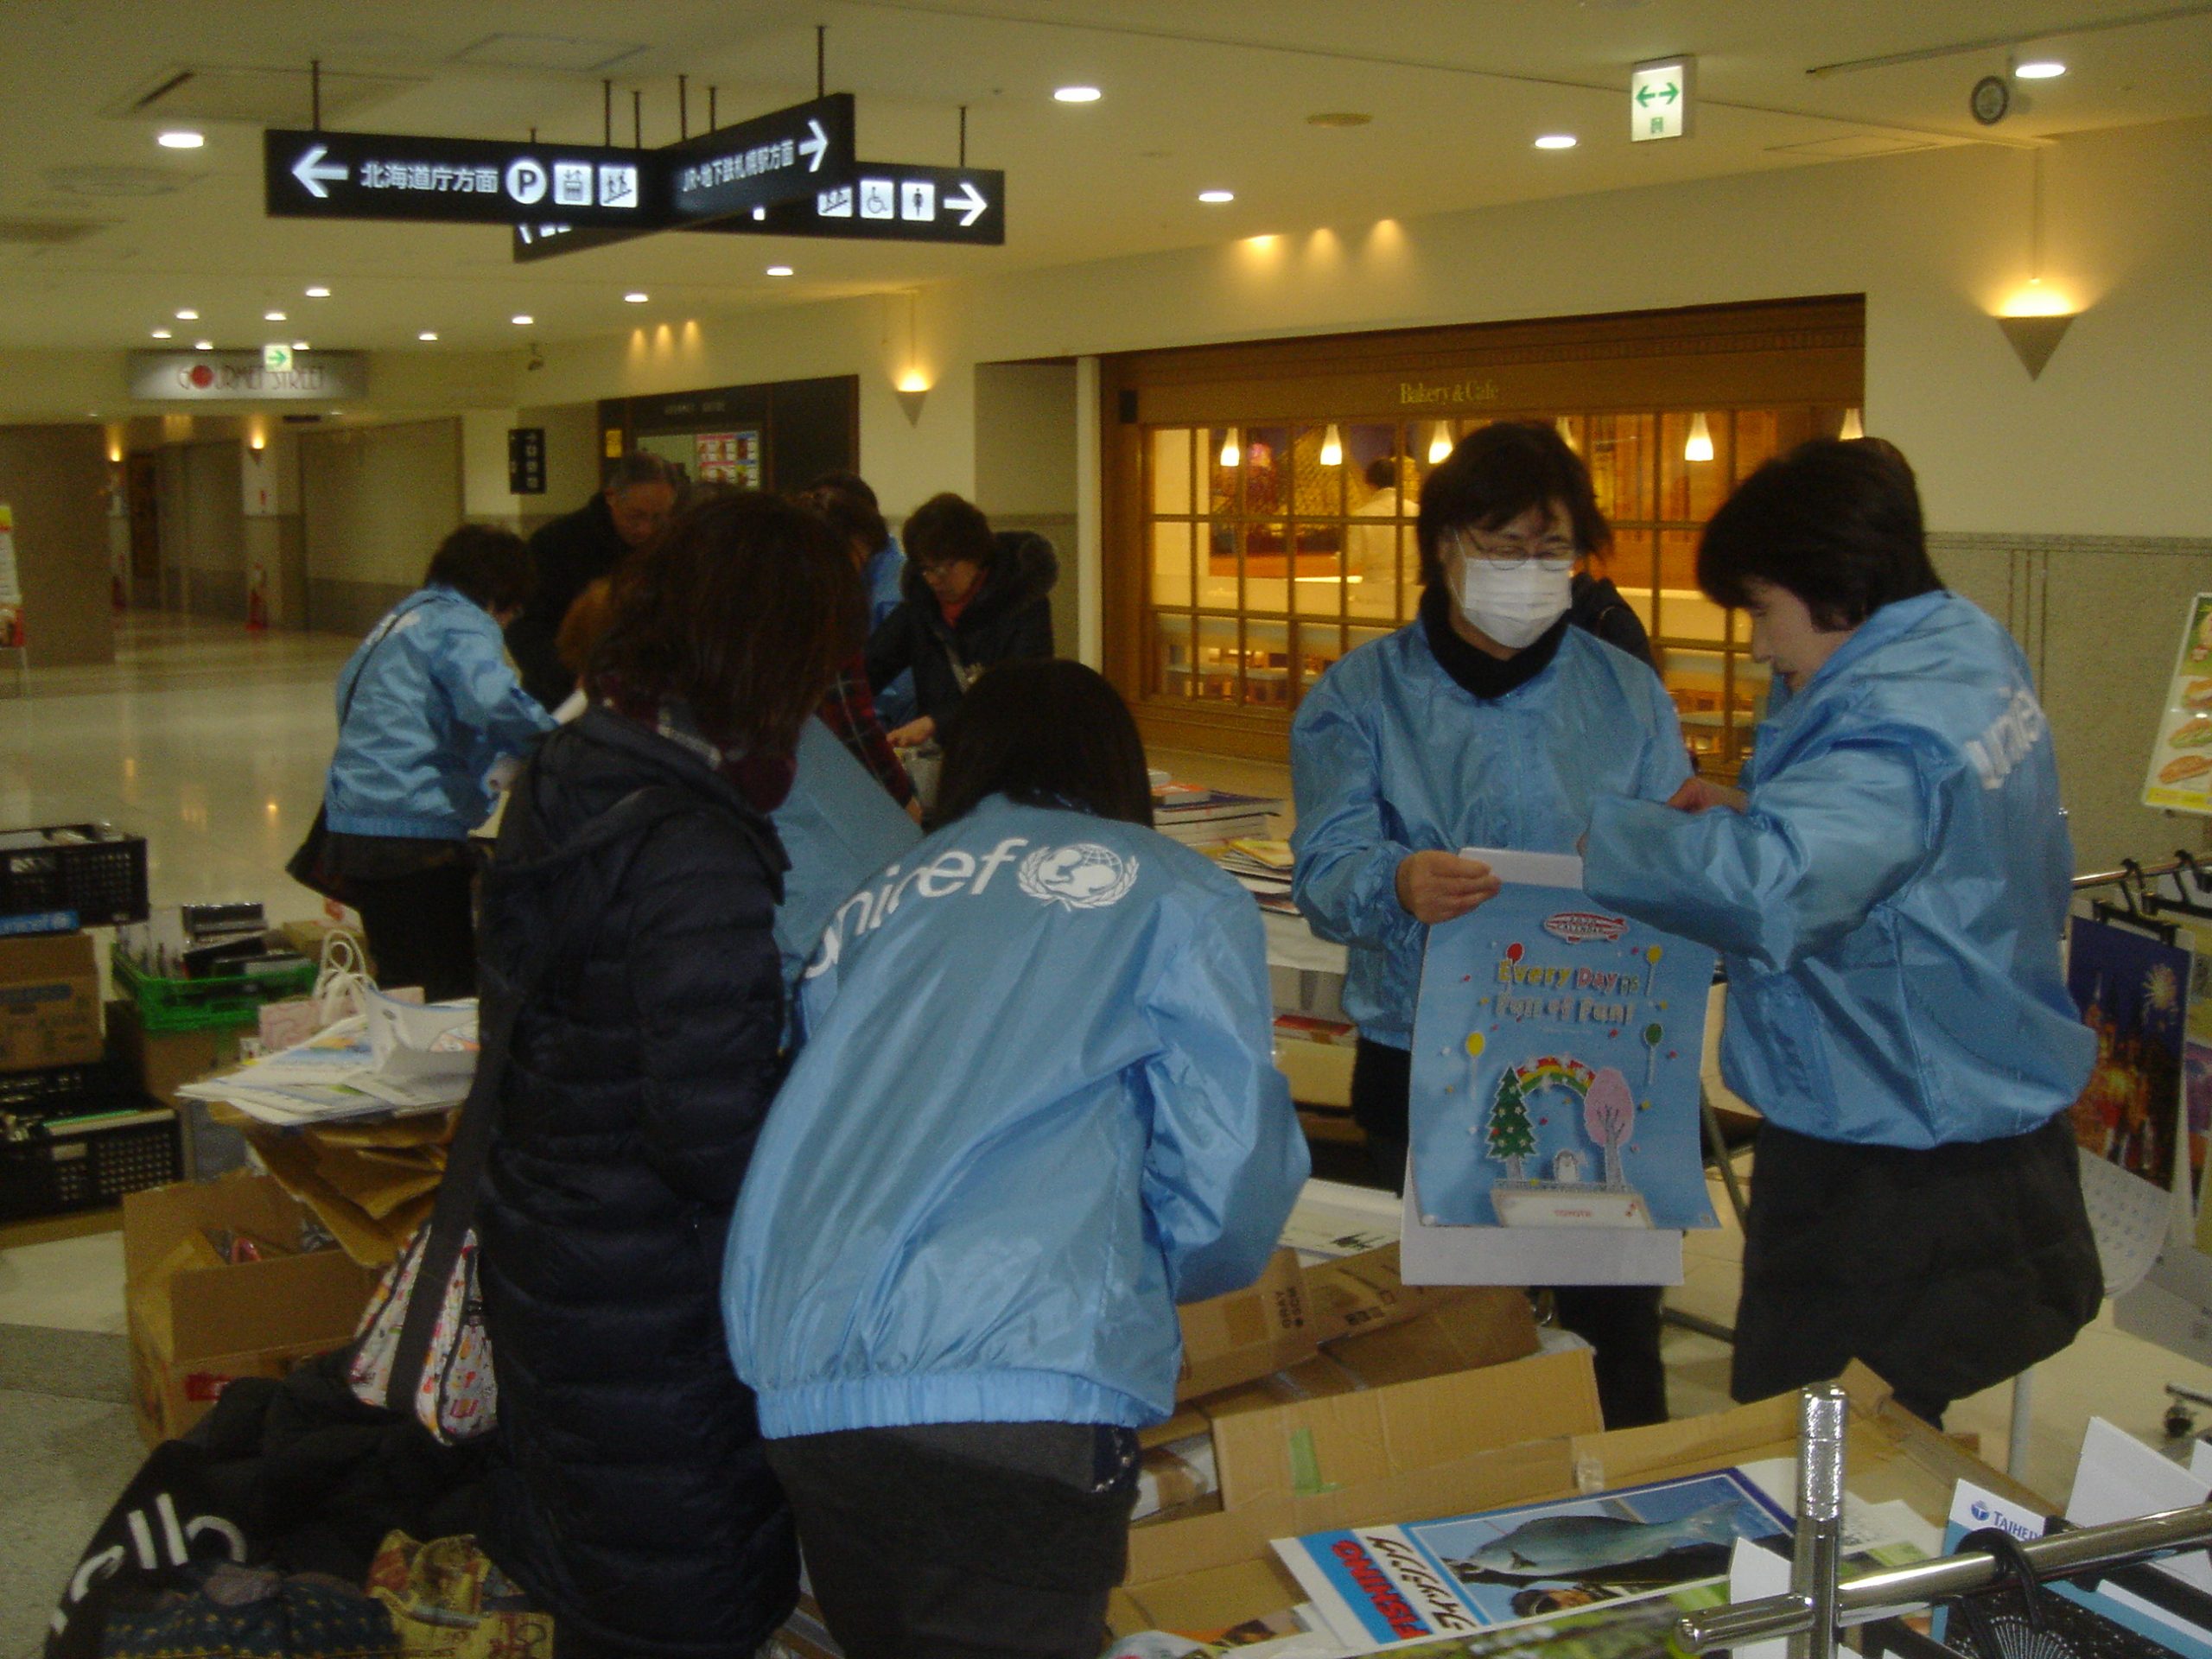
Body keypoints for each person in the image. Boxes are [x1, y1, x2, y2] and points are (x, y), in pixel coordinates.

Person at [724, 658, 1309, 1659]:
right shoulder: (1172, 891)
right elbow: (1227, 1168)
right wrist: (1166, 1271)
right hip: (1015, 1372)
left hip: (801, 1361)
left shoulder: (878, 897)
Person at [1581, 439, 2101, 1425]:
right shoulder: (1963, 651)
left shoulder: (1890, 719)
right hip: (1977, 1107)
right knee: (1892, 1440)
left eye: (1763, 611)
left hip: (1892, 1152)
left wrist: (1612, 836)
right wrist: (1757, 810)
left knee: (1820, 1454)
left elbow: (1777, 891)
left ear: (1838, 589)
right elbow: (1917, 851)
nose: (1759, 647)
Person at [473, 492, 862, 1659]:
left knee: (602, 1566)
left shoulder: (575, 760)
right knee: (678, 1587)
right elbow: (709, 1134)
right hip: (652, 1291)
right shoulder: (692, 841)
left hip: (556, 1235)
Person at [1288, 421, 1691, 1430]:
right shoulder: (1361, 695)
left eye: (1551, 550)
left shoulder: (1624, 691)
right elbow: (1325, 870)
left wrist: (1694, 847)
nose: (1528, 571)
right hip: (1426, 1057)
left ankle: (1635, 1531)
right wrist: (1396, 882)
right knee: (1453, 1338)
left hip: (1602, 1063)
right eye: (1502, 547)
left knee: (1615, 1341)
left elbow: (1663, 854)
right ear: (1443, 548)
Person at [319, 524, 554, 1001]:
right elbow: (491, 701)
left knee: (403, 984)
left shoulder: (404, 617)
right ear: (501, 595)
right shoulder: (460, 622)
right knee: (442, 991)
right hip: (412, 827)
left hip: (358, 823)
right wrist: (559, 741)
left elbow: (352, 695)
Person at [864, 492, 1058, 748]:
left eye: (944, 567)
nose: (934, 579)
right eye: (925, 569)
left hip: (1010, 754)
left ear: (976, 555)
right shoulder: (921, 607)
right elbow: (871, 665)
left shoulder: (1022, 602)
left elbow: (1020, 694)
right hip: (950, 756)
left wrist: (937, 722)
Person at [505, 451, 677, 710]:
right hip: (562, 698)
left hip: (646, 700)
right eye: (636, 516)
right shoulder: (555, 543)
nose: (646, 529)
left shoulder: (670, 548)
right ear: (611, 497)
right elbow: (525, 628)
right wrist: (571, 679)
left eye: (657, 518)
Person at [793, 482, 920, 814]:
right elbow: (851, 716)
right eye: (860, 556)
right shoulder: (826, 608)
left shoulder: (772, 596)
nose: (861, 568)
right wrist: (902, 797)